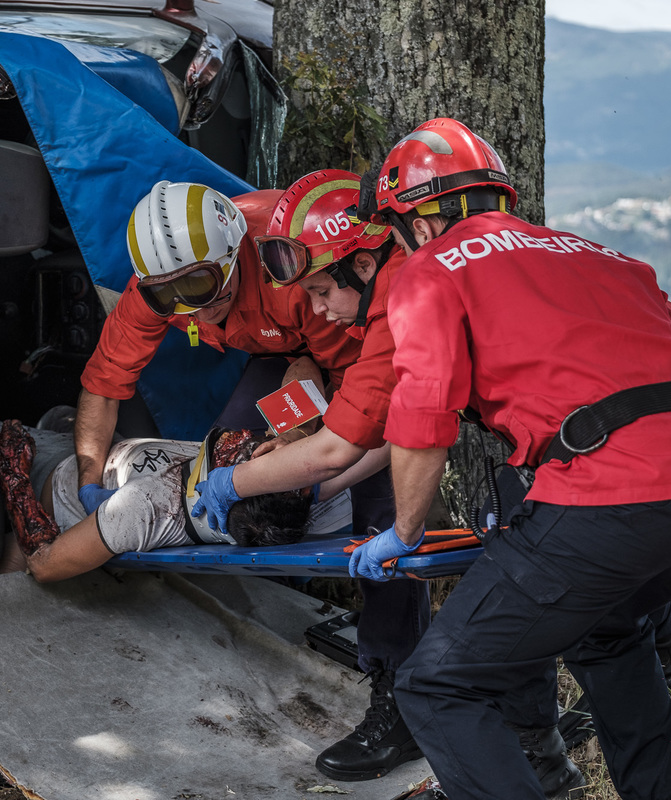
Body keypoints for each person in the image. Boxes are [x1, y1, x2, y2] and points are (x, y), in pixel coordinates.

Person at [350, 117, 671, 800]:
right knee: (610, 627)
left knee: (438, 684)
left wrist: (404, 531)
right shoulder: (599, 254)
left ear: (417, 223)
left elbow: (424, 414)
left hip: (615, 492)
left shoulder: (428, 270)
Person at [191, 169, 433, 782]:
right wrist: (296, 426)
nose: (318, 308)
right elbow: (313, 369)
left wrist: (303, 481)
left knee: (387, 526)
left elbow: (386, 438)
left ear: (362, 263)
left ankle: (400, 700)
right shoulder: (377, 289)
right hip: (342, 393)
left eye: (323, 290)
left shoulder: (398, 310)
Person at [73, 180, 363, 520]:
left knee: (359, 479)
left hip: (345, 341)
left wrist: (305, 447)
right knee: (229, 458)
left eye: (202, 285)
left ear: (235, 251)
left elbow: (353, 383)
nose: (198, 311)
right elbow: (103, 385)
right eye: (174, 298)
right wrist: (88, 484)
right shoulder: (153, 290)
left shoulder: (291, 270)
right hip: (277, 352)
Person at [0, 413, 357, 581]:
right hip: (114, 458)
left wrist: (13, 471)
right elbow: (380, 440)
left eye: (253, 446)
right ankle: (64, 426)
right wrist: (297, 435)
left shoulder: (144, 507)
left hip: (54, 487)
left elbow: (44, 564)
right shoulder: (312, 494)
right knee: (75, 424)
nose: (254, 435)